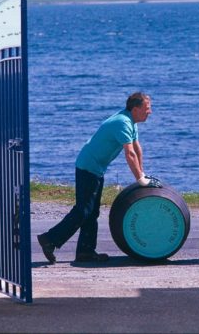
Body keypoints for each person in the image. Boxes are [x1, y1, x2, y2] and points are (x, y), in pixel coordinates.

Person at [37, 92, 160, 264]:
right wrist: (139, 178)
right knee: (83, 210)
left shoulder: (130, 121)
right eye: (147, 108)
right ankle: (50, 239)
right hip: (88, 167)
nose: (150, 112)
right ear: (135, 108)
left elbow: (137, 148)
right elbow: (129, 154)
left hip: (95, 168)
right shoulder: (122, 122)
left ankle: (85, 252)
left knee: (91, 212)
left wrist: (143, 174)